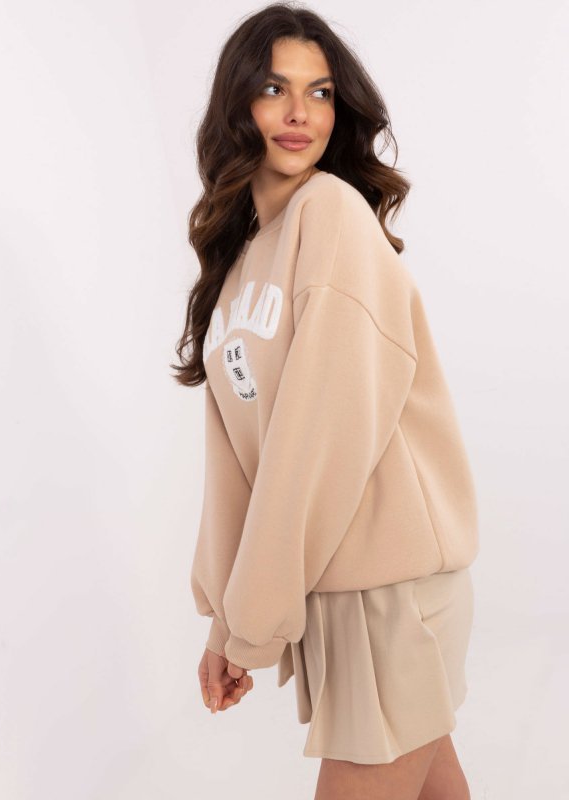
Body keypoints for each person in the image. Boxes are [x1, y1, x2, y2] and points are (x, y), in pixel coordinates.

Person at [171, 4, 479, 798]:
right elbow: (240, 461)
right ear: (239, 102)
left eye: (321, 93)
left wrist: (254, 618)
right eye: (275, 88)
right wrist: (228, 621)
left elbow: (318, 437)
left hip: (391, 590)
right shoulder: (241, 259)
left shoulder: (331, 213)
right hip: (332, 591)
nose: (300, 113)